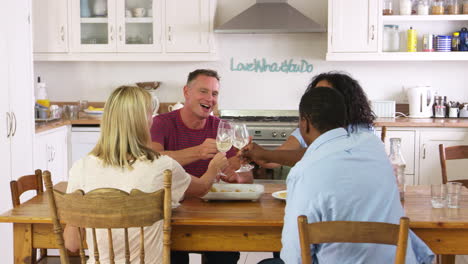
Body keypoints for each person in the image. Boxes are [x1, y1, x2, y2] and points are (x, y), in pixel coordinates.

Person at [265, 87, 434, 264]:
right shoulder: (374, 146)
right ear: (343, 121)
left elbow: (295, 256)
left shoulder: (303, 171)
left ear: (304, 124)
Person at [63, 86, 228, 264]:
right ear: (145, 122)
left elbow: (72, 244)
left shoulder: (81, 167)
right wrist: (214, 168)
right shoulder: (162, 166)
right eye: (151, 114)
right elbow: (202, 188)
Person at [150, 69, 251, 263]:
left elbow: (245, 176)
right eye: (203, 91)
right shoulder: (161, 123)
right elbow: (152, 161)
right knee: (173, 256)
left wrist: (237, 175)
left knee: (225, 254)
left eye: (214, 93)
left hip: (213, 212)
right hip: (171, 212)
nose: (210, 98)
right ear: (186, 92)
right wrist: (198, 151)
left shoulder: (222, 127)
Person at [241, 71, 376, 168]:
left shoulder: (363, 131)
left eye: (327, 95)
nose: (319, 99)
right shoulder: (309, 125)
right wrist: (254, 154)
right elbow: (273, 160)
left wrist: (265, 154)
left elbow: (331, 155)